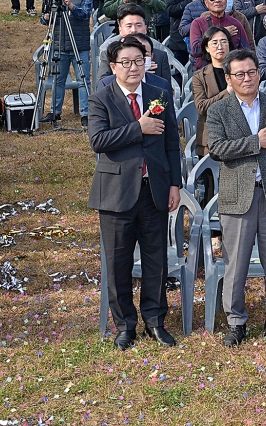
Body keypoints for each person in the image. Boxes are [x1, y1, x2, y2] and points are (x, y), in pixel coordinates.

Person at [87, 37, 182, 350]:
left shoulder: (159, 93)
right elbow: (99, 140)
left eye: (138, 61)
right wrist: (138, 127)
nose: (132, 67)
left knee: (156, 260)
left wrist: (174, 184)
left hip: (153, 189)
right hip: (116, 192)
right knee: (118, 262)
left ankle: (155, 321)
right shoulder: (102, 97)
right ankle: (125, 324)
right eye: (125, 62)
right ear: (113, 66)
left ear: (148, 62)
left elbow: (171, 144)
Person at [205, 50, 266, 347]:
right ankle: (236, 321)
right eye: (240, 74)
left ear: (259, 73)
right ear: (229, 78)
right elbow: (217, 149)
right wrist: (255, 142)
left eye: (251, 72)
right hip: (237, 198)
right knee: (236, 264)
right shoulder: (219, 110)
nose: (247, 78)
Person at [39, 0, 92, 126]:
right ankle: (55, 112)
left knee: (83, 80)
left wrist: (70, 5)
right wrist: (45, 18)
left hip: (79, 45)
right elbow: (43, 19)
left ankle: (86, 113)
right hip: (59, 44)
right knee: (57, 80)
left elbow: (85, 15)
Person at [191, 27, 231, 202]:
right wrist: (227, 92)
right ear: (206, 47)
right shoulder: (200, 76)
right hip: (210, 138)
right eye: (214, 42)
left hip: (237, 135)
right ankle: (212, 228)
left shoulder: (239, 72)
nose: (220, 46)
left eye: (224, 41)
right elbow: (201, 107)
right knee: (211, 187)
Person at [189, 0, 252, 69]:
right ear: (206, 2)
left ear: (226, 0)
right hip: (206, 72)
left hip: (232, 72)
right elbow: (195, 50)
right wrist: (223, 33)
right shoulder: (198, 23)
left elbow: (246, 51)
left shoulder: (236, 23)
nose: (217, 0)